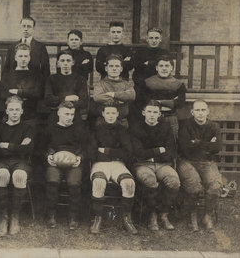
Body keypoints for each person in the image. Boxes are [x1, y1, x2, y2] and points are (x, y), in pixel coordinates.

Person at [130, 100, 180, 231]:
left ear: (160, 114)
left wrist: (153, 154)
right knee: (150, 181)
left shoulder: (166, 127)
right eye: (149, 112)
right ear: (143, 113)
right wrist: (159, 150)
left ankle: (163, 214)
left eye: (155, 112)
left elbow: (171, 152)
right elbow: (138, 153)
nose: (152, 115)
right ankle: (152, 215)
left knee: (174, 181)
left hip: (163, 164)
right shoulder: (136, 128)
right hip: (142, 164)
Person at [89, 103, 137, 234]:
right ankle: (97, 218)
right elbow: (92, 153)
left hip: (118, 164)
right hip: (99, 164)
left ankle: (127, 219)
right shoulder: (96, 130)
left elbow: (128, 153)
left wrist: (107, 150)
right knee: (99, 182)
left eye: (113, 113)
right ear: (103, 114)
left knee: (129, 183)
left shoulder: (123, 130)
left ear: (117, 114)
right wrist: (116, 152)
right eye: (108, 113)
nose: (110, 116)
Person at [177, 100, 222, 232]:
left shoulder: (214, 127)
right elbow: (185, 148)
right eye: (197, 110)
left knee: (215, 186)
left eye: (203, 110)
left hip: (207, 161)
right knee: (194, 187)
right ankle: (192, 216)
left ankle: (207, 216)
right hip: (187, 160)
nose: (200, 113)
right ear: (192, 112)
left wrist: (197, 142)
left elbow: (217, 147)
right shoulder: (185, 125)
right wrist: (208, 144)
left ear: (208, 112)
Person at [0, 95, 34, 236]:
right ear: (7, 111)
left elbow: (28, 150)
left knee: (19, 175)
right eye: (12, 109)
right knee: (2, 174)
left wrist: (7, 145)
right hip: (1, 161)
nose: (15, 112)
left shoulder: (28, 128)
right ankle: (3, 217)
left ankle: (15, 217)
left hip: (21, 162)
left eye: (17, 109)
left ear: (22, 111)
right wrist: (18, 147)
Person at [44, 101, 84, 230]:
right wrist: (47, 156)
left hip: (73, 163)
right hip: (55, 162)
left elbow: (87, 148)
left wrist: (80, 158)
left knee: (74, 183)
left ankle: (73, 216)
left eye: (72, 114)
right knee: (52, 181)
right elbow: (40, 147)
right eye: (66, 114)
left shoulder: (79, 129)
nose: (69, 117)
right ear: (59, 113)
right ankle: (51, 215)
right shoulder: (50, 129)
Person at [141, 55, 186, 138]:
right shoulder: (147, 82)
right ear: (156, 68)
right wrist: (171, 102)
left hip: (171, 117)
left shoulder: (179, 84)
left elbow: (180, 103)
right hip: (152, 118)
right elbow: (145, 101)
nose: (164, 68)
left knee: (172, 142)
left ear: (171, 68)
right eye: (161, 66)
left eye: (167, 66)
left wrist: (158, 102)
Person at [1, 43, 43, 123]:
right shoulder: (7, 75)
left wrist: (18, 92)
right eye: (20, 56)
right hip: (10, 117)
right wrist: (28, 93)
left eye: (26, 56)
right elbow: (3, 95)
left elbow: (38, 93)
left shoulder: (36, 75)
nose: (23, 59)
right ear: (15, 57)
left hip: (30, 116)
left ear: (29, 58)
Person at [44, 49, 88, 123]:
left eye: (68, 61)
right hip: (56, 113)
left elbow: (83, 101)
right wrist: (66, 98)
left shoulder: (80, 79)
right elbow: (48, 100)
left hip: (73, 113)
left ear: (73, 62)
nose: (65, 63)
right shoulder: (52, 79)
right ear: (58, 63)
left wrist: (63, 103)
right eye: (62, 61)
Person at [93, 54, 135, 127]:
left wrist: (113, 94)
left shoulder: (126, 84)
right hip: (103, 122)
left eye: (117, 66)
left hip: (122, 121)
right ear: (106, 68)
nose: (114, 69)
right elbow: (97, 97)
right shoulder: (100, 84)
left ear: (121, 69)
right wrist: (121, 99)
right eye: (111, 66)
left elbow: (132, 95)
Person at [2, 17, 50, 81]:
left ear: (33, 29)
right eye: (24, 26)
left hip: (34, 83)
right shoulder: (12, 47)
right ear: (20, 28)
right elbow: (6, 68)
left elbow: (45, 70)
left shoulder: (40, 47)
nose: (26, 29)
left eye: (29, 26)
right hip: (15, 81)